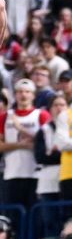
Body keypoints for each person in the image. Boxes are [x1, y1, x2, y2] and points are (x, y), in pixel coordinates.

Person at [0, 80, 50, 210]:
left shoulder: (41, 115)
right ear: (15, 95)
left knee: (35, 215)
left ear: (33, 95)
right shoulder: (5, 117)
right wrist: (20, 145)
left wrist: (21, 129)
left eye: (27, 92)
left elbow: (47, 142)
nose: (23, 95)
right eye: (20, 92)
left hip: (35, 173)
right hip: (11, 173)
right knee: (13, 215)